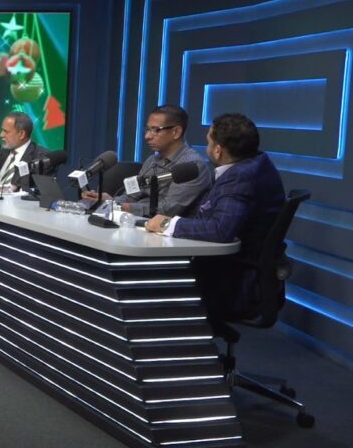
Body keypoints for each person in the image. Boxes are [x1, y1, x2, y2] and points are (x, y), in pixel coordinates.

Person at [145, 113, 286, 318]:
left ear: (218, 151)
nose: (207, 147)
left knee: (150, 282)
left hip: (231, 281)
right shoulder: (256, 164)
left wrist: (167, 224)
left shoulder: (240, 178)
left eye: (208, 142)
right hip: (235, 270)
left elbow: (220, 229)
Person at [84, 104, 211, 216]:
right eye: (148, 129)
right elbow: (132, 195)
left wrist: (122, 207)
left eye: (156, 130)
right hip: (135, 221)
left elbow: (168, 210)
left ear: (176, 132)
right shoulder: (152, 160)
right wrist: (110, 201)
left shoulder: (192, 166)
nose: (147, 136)